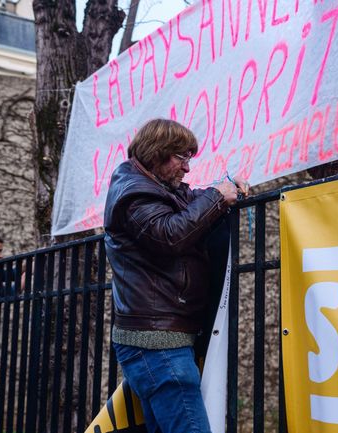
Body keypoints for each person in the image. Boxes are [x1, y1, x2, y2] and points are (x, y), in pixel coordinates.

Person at [103, 118, 249, 433]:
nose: (187, 168)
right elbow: (170, 234)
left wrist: (223, 191)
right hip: (157, 343)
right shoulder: (134, 194)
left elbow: (188, 201)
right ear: (157, 153)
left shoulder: (152, 187)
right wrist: (217, 198)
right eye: (181, 157)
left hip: (161, 340)